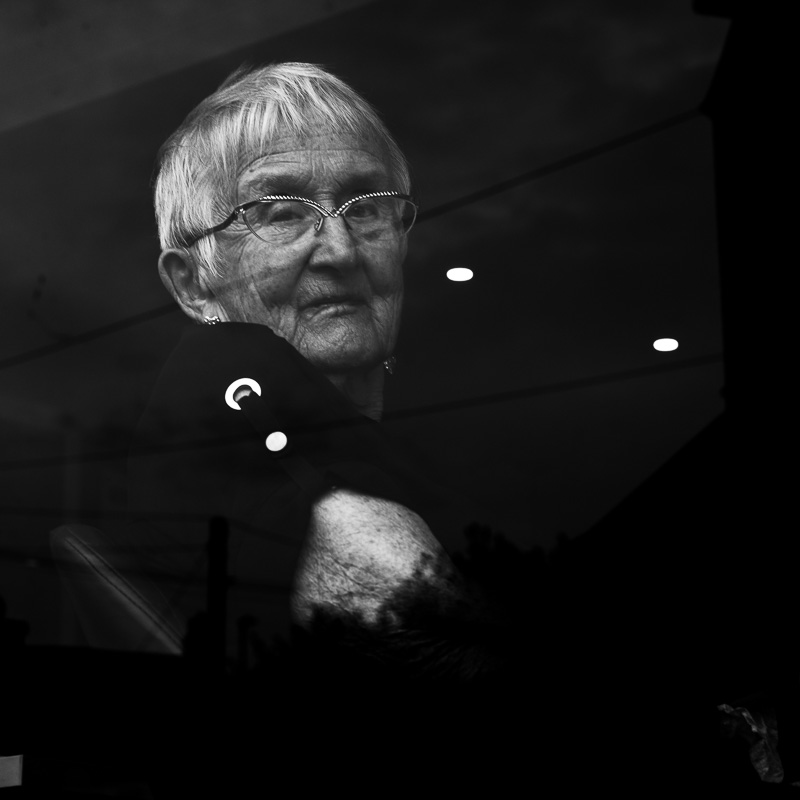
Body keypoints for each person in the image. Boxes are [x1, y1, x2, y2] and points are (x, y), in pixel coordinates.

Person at [128, 62, 509, 692]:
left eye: (368, 207)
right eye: (280, 213)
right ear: (193, 284)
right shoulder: (220, 427)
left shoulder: (462, 427)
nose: (341, 250)